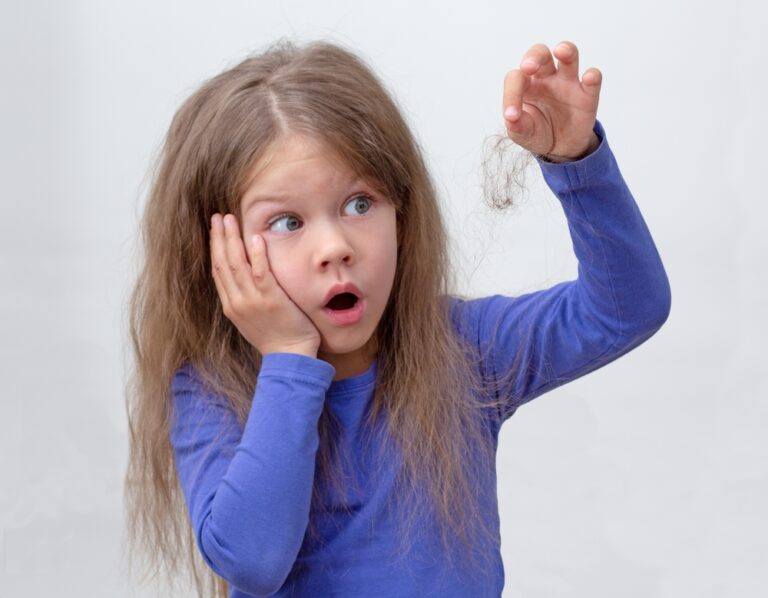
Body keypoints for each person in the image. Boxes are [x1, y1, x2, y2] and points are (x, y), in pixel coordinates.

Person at [124, 38, 671, 598]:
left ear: (403, 215)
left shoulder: (466, 350)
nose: (334, 246)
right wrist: (287, 358)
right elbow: (253, 561)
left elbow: (627, 309)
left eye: (360, 204)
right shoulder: (211, 390)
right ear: (221, 252)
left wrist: (577, 163)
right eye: (287, 222)